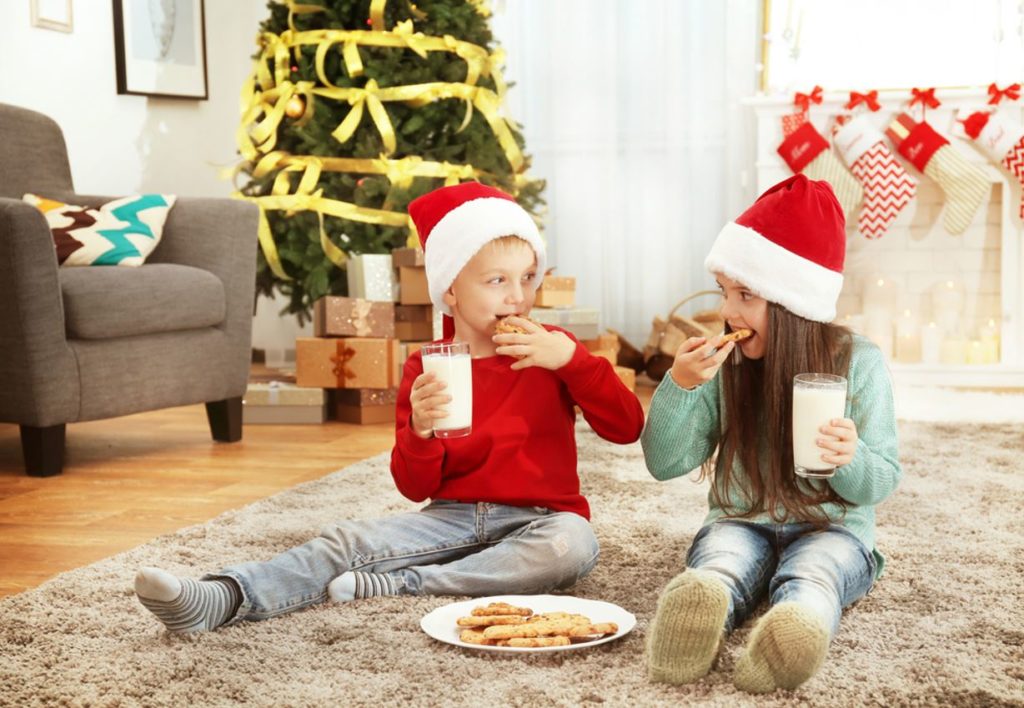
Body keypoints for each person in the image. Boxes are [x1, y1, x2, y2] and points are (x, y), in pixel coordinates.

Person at [134, 182, 644, 633]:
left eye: (528, 277)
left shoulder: (554, 349)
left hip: (541, 519)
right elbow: (414, 486)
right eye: (497, 281)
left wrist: (575, 362)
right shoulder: (429, 365)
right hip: (451, 518)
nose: (519, 296)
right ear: (450, 289)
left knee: (572, 546)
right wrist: (419, 432)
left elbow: (626, 427)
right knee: (347, 539)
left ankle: (408, 584)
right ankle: (223, 596)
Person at [641, 174, 901, 693]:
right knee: (722, 561)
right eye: (724, 292)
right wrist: (680, 386)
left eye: (745, 295)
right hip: (743, 518)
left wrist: (850, 458)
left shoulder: (860, 364)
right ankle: (700, 609)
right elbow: (664, 462)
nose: (726, 311)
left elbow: (882, 481)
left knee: (817, 573)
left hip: (833, 527)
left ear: (793, 305)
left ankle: (798, 626)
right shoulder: (728, 364)